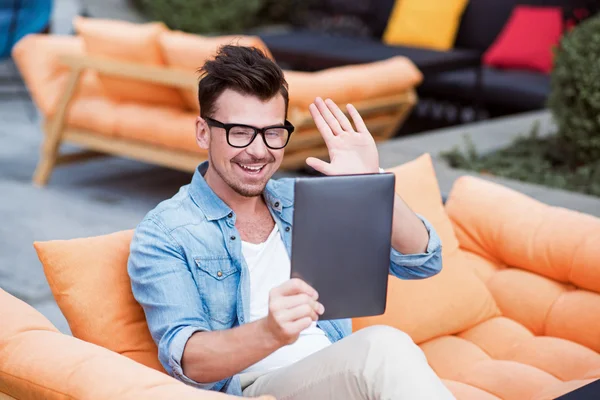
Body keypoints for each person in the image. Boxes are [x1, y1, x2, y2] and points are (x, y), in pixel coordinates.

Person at [128, 45, 454, 399]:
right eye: (240, 132)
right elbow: (188, 362)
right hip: (260, 388)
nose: (259, 151)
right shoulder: (165, 232)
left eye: (272, 132)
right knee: (384, 346)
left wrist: (372, 181)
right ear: (203, 132)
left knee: (381, 354)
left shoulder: (305, 202)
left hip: (340, 375)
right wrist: (270, 331)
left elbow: (422, 260)